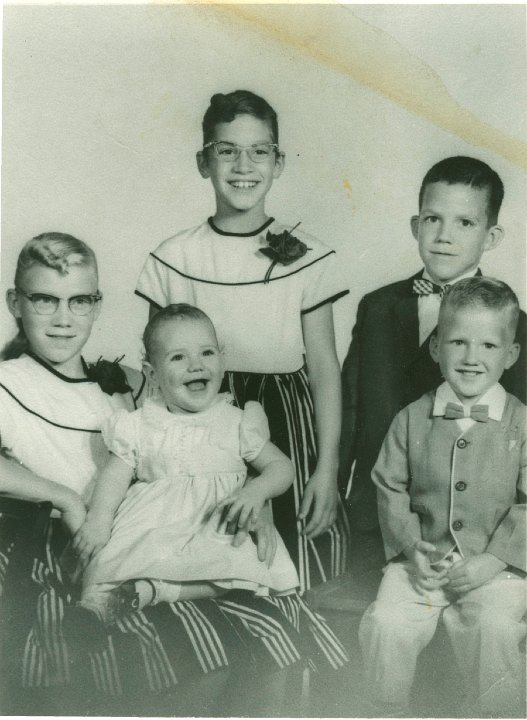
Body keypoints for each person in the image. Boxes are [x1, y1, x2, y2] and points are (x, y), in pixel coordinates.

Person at [0, 233, 348, 714]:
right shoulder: (8, 379)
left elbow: (203, 444)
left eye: (80, 301)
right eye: (45, 301)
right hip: (73, 547)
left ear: (97, 304)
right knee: (195, 660)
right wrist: (64, 496)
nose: (64, 318)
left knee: (272, 643)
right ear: (15, 303)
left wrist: (258, 499)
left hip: (166, 539)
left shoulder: (128, 383)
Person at [136, 89, 350, 592]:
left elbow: (323, 366)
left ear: (278, 163)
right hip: (199, 419)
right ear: (203, 161)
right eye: (227, 149)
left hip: (287, 421)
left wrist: (326, 467)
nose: (243, 164)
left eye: (260, 151)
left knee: (293, 569)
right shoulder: (173, 258)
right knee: (208, 559)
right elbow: (157, 372)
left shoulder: (307, 254)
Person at [359, 277, 526, 717]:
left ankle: (496, 713)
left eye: (489, 346)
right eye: (458, 342)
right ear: (435, 347)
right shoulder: (411, 418)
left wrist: (495, 560)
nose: (472, 358)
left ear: (510, 355)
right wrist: (411, 549)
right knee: (386, 624)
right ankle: (386, 709)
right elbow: (389, 485)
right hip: (422, 564)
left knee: (495, 628)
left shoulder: (522, 425)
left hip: (498, 567)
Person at [73, 303, 300, 622]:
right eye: (178, 357)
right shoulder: (138, 424)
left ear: (222, 361)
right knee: (109, 564)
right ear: (151, 373)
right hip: (154, 526)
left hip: (214, 525)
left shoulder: (238, 421)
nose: (196, 365)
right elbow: (114, 477)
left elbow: (281, 467)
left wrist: (257, 491)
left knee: (237, 567)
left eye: (207, 353)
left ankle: (152, 591)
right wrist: (98, 520)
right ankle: (99, 609)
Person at [340, 156, 527, 536]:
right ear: (416, 225)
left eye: (465, 222)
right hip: (375, 510)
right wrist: (331, 485)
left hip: (473, 525)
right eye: (432, 219)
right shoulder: (376, 307)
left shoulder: (516, 326)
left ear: (491, 237)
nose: (444, 235)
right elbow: (350, 407)